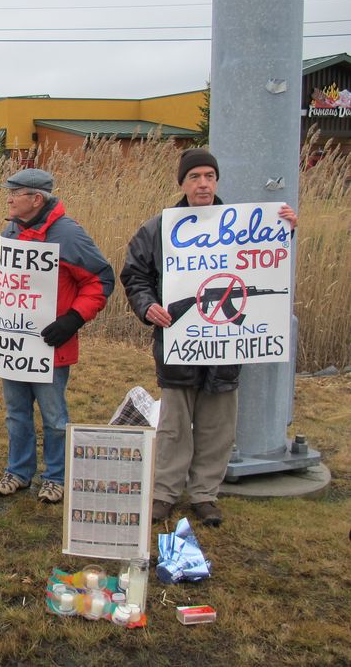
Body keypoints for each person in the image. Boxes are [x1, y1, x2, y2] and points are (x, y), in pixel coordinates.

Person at [120, 148, 298, 527]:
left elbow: (266, 261)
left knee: (218, 426)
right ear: (182, 183)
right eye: (195, 177)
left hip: (226, 346)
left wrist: (284, 230)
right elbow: (135, 275)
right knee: (173, 426)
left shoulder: (245, 227)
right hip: (178, 344)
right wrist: (148, 306)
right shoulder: (159, 229)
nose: (203, 184)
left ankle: (204, 495)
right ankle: (165, 493)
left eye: (209, 176)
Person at [0, 169, 115, 503]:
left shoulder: (68, 234)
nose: (8, 198)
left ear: (36, 199)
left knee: (54, 417)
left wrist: (73, 319)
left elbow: (100, 280)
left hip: (51, 346)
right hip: (17, 344)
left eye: (14, 193)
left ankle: (55, 477)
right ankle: (18, 472)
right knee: (16, 413)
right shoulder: (12, 229)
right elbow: (9, 276)